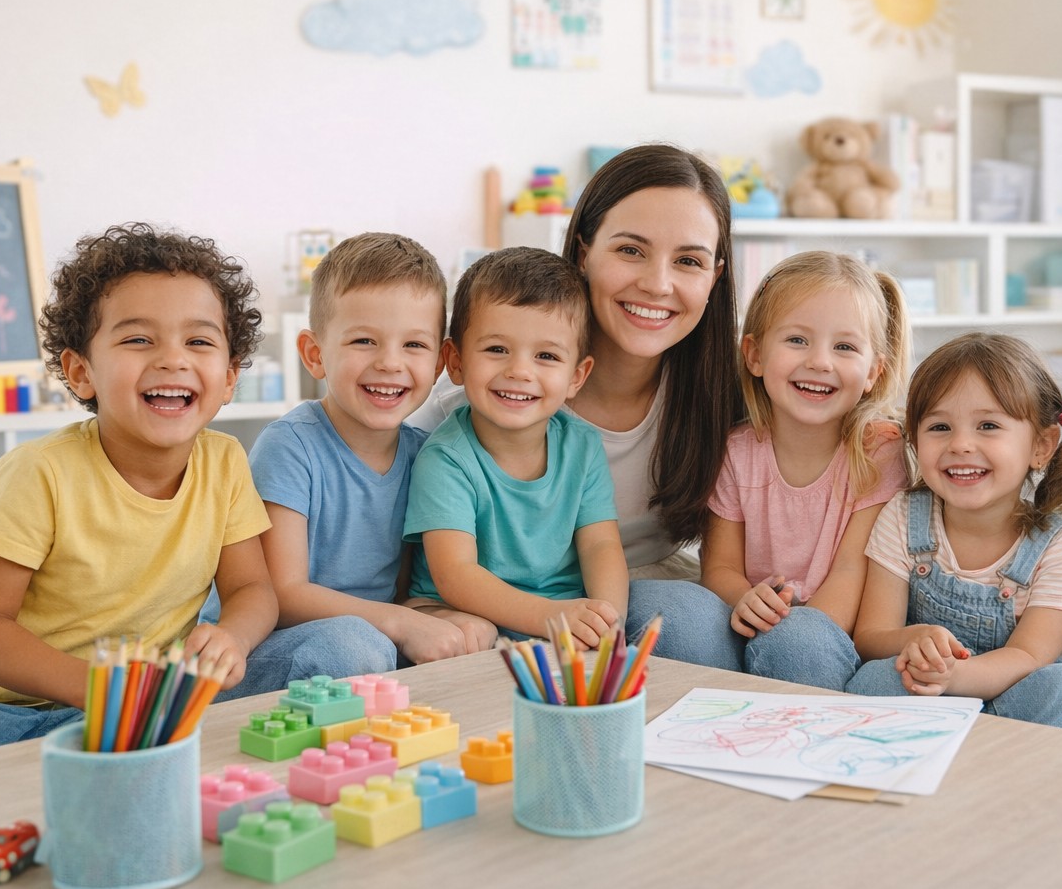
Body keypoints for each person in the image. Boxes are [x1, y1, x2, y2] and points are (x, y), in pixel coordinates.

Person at [0, 223, 354, 765]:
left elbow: (252, 588)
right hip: (6, 708)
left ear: (229, 379)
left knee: (343, 644)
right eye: (139, 339)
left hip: (156, 698)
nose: (173, 359)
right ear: (80, 371)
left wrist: (233, 635)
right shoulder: (37, 473)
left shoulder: (225, 461)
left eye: (198, 341)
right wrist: (101, 693)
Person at [413, 144, 742, 583]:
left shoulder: (728, 396)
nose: (658, 284)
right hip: (505, 598)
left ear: (714, 277)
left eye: (688, 261)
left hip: (645, 594)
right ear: (584, 252)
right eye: (631, 250)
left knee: (686, 618)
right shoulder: (470, 402)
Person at [622, 251, 910, 674]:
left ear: (873, 373)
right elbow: (719, 567)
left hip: (825, 637)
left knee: (798, 643)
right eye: (797, 340)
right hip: (743, 625)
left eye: (845, 347)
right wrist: (745, 599)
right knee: (657, 602)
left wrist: (791, 630)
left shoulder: (879, 452)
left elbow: (852, 571)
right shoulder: (736, 452)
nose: (820, 362)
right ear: (754, 354)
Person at [249, 233, 496, 669]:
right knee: (353, 646)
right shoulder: (290, 446)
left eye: (414, 345)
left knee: (475, 631)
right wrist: (399, 624)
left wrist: (436, 616)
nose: (390, 363)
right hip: (272, 648)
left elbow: (402, 590)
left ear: (439, 363)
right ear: (314, 353)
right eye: (364, 341)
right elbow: (281, 596)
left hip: (370, 643)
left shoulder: (427, 456)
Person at [846, 332, 1062, 734]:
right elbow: (869, 637)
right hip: (927, 696)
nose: (961, 444)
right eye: (939, 427)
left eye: (988, 425)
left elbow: (1028, 656)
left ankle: (1002, 781)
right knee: (873, 680)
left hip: (1019, 711)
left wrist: (955, 675)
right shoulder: (903, 515)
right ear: (915, 438)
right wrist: (916, 639)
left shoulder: (1060, 546)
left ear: (1041, 446)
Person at [403, 246, 627, 647]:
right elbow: (456, 575)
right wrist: (551, 618)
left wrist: (606, 619)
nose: (520, 372)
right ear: (454, 361)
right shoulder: (446, 458)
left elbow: (601, 544)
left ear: (577, 376)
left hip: (559, 611)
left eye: (546, 355)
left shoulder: (582, 446)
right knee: (471, 634)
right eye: (496, 350)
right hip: (458, 608)